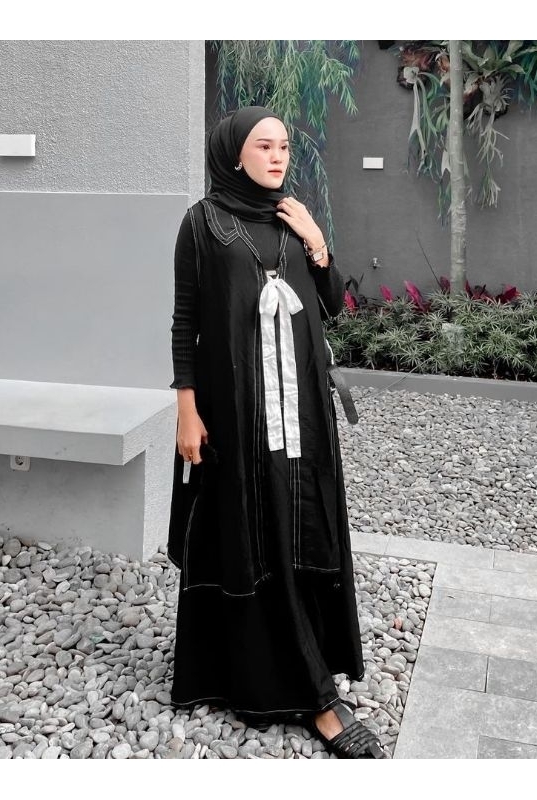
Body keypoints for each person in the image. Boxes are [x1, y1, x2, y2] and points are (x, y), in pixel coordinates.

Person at [166, 105, 385, 759]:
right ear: (235, 154)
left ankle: (300, 667)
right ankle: (311, 696)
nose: (278, 156)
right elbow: (185, 320)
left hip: (303, 412)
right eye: (264, 146)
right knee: (249, 530)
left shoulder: (292, 216)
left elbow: (333, 304)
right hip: (236, 411)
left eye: (284, 146)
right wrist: (186, 409)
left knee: (299, 526)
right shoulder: (203, 223)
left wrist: (318, 244)